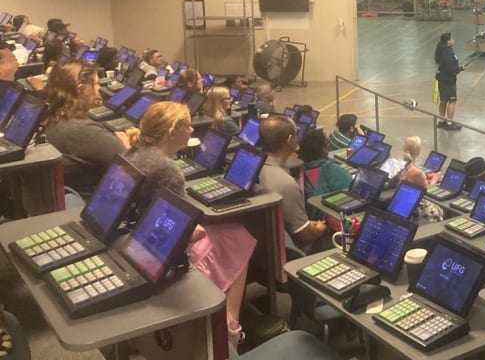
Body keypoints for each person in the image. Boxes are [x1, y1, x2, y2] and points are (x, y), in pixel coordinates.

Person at [125, 101, 256, 345]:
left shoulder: (135, 151)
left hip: (137, 238)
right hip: (161, 251)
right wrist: (195, 230)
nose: (193, 130)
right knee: (238, 236)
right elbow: (183, 229)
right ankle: (230, 329)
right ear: (171, 132)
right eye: (187, 125)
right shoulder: (167, 169)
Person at [43, 61, 131, 199]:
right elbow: (132, 169)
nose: (99, 88)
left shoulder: (55, 116)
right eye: (96, 83)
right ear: (81, 89)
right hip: (102, 201)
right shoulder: (82, 130)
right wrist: (127, 147)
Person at [257, 114, 328, 252]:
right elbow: (304, 235)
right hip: (298, 251)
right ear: (290, 139)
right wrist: (319, 228)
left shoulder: (256, 165)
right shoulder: (286, 184)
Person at [299, 128, 352, 220]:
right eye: (327, 144)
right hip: (330, 217)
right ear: (323, 150)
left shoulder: (300, 168)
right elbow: (353, 190)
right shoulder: (331, 169)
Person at [434, 32, 464, 130]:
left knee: (443, 100)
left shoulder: (444, 50)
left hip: (442, 79)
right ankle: (450, 124)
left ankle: (442, 121)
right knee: (452, 101)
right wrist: (458, 69)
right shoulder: (447, 52)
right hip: (448, 81)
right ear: (448, 41)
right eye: (452, 38)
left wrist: (459, 68)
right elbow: (450, 68)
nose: (453, 40)